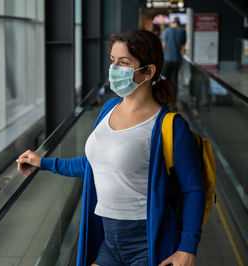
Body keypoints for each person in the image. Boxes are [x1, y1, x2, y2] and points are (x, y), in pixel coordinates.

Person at [17, 30, 205, 266]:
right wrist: (43, 163)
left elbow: (193, 190)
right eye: (113, 61)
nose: (115, 69)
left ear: (148, 71)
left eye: (124, 63)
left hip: (149, 243)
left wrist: (188, 247)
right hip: (110, 242)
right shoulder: (109, 108)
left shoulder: (171, 126)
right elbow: (93, 164)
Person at [162, 16, 186, 102]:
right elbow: (183, 47)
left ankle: (164, 98)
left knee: (164, 79)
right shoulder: (182, 31)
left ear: (172, 23)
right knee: (174, 80)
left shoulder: (167, 30)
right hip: (177, 59)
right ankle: (173, 100)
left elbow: (163, 45)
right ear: (179, 23)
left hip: (167, 59)